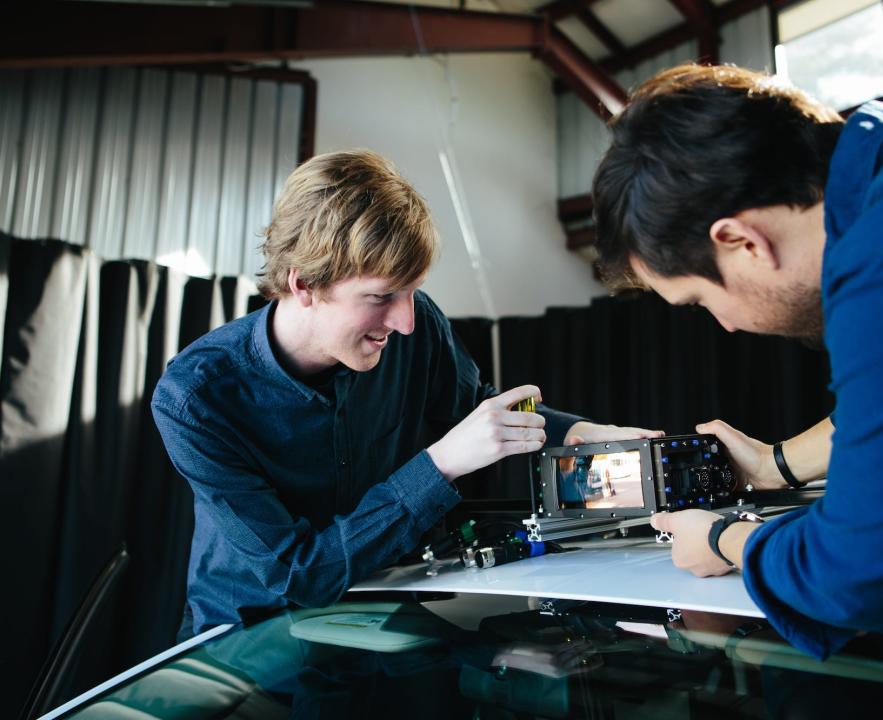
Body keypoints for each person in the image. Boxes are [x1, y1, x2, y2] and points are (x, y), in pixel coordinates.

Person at [153, 149, 661, 638]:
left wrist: (578, 431)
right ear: (304, 284)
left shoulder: (418, 329)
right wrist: (437, 466)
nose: (405, 322)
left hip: (385, 627)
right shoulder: (194, 399)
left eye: (413, 291)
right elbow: (299, 574)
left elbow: (474, 406)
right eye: (380, 297)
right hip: (248, 649)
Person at [592, 63, 883, 658]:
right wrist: (772, 465)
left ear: (741, 242)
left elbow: (849, 579)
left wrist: (723, 538)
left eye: (702, 301)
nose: (728, 325)